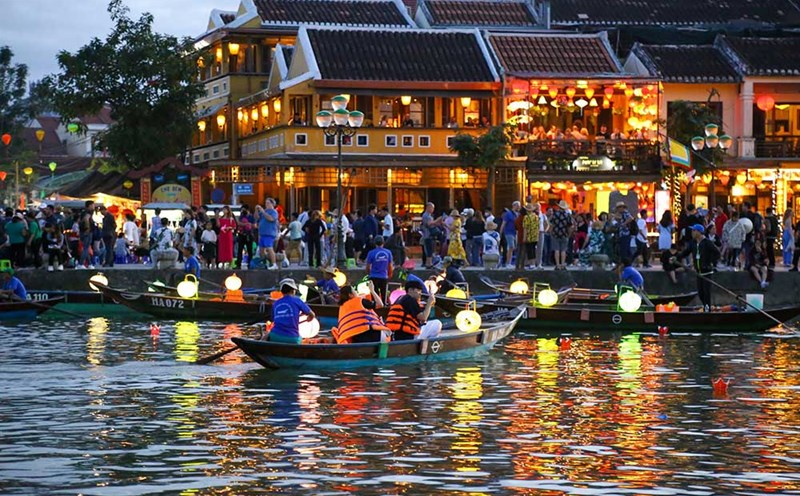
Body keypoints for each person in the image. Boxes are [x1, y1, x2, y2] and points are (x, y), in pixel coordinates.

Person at [678, 224, 720, 311]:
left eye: (693, 230)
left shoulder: (707, 243)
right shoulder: (693, 243)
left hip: (707, 272)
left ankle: (707, 309)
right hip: (698, 272)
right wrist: (676, 257)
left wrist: (712, 263)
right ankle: (705, 307)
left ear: (699, 232)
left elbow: (717, 253)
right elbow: (685, 252)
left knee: (706, 292)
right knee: (700, 293)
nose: (692, 232)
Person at [265, 278, 316, 344]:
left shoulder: (275, 303)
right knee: (302, 339)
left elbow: (274, 319)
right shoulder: (297, 300)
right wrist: (309, 318)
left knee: (268, 334)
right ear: (293, 290)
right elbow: (312, 314)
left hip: (275, 337)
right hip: (292, 339)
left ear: (282, 291)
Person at [365, 235, 393, 303]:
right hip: (384, 276)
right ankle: (384, 307)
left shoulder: (371, 253)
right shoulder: (388, 252)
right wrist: (390, 275)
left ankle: (375, 308)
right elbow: (390, 266)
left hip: (373, 276)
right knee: (384, 295)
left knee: (374, 296)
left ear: (375, 243)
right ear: (383, 242)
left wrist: (368, 274)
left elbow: (368, 266)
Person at [255, 198, 279, 270]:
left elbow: (271, 219)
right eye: (266, 203)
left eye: (268, 203)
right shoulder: (264, 211)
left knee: (269, 248)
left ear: (272, 204)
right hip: (262, 233)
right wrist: (256, 210)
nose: (266, 204)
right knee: (261, 249)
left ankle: (274, 264)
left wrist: (263, 212)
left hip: (269, 233)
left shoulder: (274, 212)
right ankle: (264, 262)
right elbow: (256, 217)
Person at [550, 200, 573, 270]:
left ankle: (557, 265)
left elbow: (552, 224)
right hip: (564, 234)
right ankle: (563, 264)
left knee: (556, 250)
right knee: (563, 250)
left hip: (556, 234)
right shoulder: (568, 215)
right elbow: (570, 226)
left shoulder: (555, 214)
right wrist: (569, 234)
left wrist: (551, 232)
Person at [499, 201, 520, 268]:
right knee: (511, 246)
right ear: (514, 206)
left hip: (515, 233)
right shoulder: (508, 214)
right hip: (508, 232)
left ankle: (509, 262)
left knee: (513, 247)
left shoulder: (517, 214)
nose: (519, 207)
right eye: (517, 206)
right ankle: (508, 263)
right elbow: (503, 223)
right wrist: (500, 233)